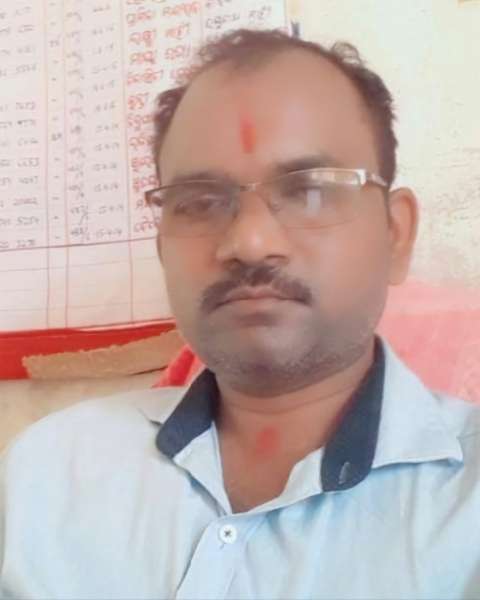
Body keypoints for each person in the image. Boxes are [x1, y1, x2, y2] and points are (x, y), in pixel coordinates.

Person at [1, 28, 479, 600]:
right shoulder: (46, 476)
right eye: (200, 202)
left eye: (308, 191)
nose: (250, 243)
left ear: (395, 234)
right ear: (162, 248)